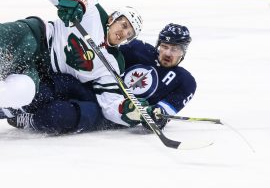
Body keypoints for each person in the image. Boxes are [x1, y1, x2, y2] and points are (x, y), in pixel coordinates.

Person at [0, 0, 144, 132]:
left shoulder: (114, 63)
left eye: (129, 34)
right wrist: (72, 0)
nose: (123, 33)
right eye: (123, 25)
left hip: (42, 70)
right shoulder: (93, 11)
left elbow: (109, 103)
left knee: (23, 92)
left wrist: (126, 111)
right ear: (112, 17)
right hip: (36, 36)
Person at [4, 23, 196, 134]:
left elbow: (162, 112)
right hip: (95, 87)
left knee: (59, 115)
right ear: (158, 44)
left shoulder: (185, 82)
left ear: (183, 52)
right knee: (55, 85)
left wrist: (154, 116)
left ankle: (27, 119)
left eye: (175, 49)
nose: (168, 53)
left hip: (111, 114)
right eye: (165, 46)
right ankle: (7, 108)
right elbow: (107, 56)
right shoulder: (138, 49)